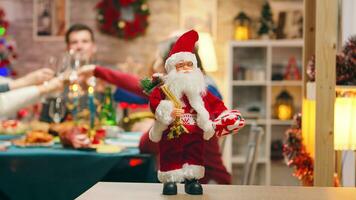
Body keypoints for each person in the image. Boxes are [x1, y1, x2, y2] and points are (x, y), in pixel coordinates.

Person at [78, 32, 233, 185]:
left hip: (208, 183)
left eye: (158, 58)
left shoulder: (202, 91)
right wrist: (101, 76)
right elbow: (137, 87)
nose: (155, 64)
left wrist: (155, 127)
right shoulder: (181, 88)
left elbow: (147, 145)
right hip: (190, 180)